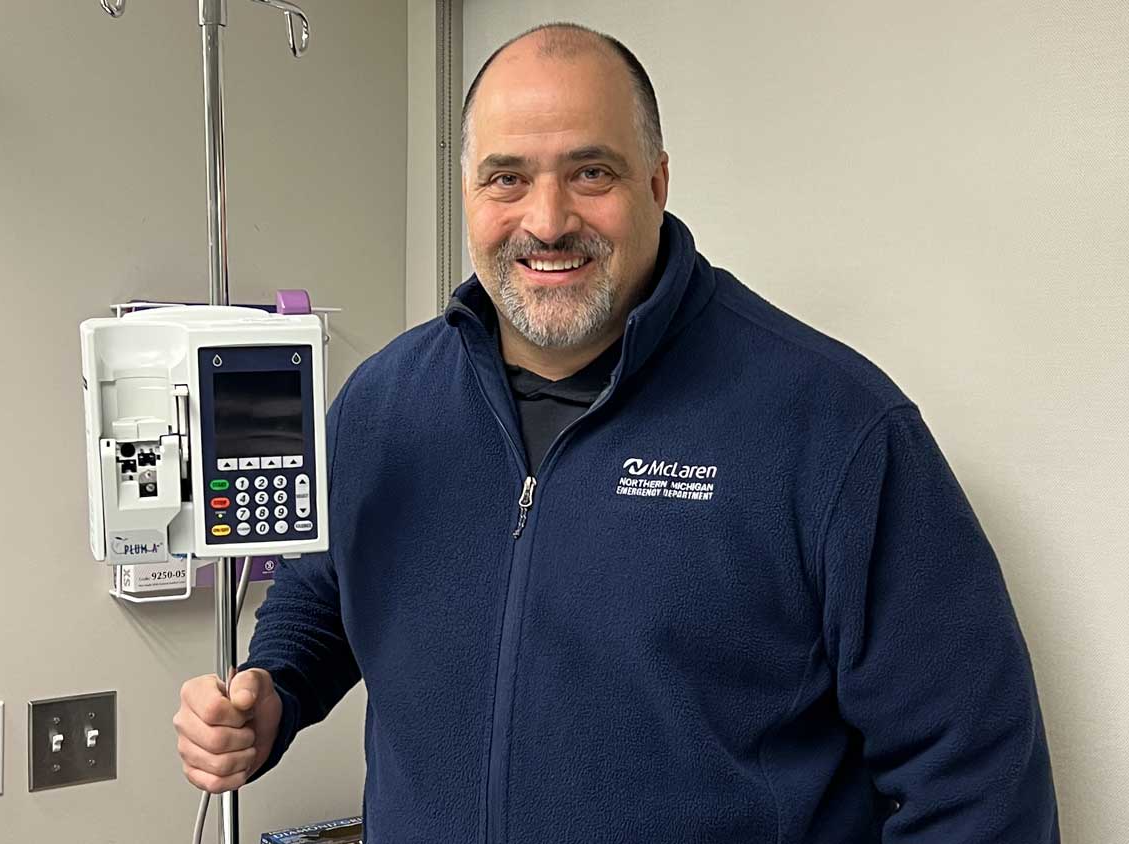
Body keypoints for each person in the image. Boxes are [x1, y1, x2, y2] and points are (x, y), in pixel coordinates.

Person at [173, 21, 1060, 842]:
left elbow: (976, 777)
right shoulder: (384, 404)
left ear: (657, 182)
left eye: (589, 172)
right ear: (470, 192)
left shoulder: (833, 427)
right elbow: (325, 588)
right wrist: (275, 693)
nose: (548, 220)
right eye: (507, 177)